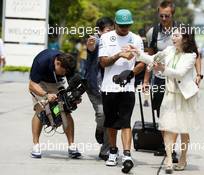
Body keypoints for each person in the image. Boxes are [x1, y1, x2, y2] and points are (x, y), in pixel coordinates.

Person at [129, 27, 200, 174]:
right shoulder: (169, 50)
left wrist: (162, 68)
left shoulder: (191, 55)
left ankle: (183, 158)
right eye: (172, 35)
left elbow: (179, 73)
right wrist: (139, 54)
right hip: (170, 94)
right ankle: (168, 158)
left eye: (176, 35)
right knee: (167, 127)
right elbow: (153, 58)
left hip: (184, 96)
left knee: (183, 129)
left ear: (185, 38)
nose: (173, 38)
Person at [144, 0, 203, 160]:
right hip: (160, 79)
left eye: (167, 16)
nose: (163, 18)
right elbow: (149, 57)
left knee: (178, 117)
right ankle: (167, 148)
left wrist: (199, 74)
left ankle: (173, 151)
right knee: (163, 115)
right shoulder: (152, 32)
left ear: (173, 14)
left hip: (178, 79)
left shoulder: (183, 30)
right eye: (161, 15)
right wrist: (146, 81)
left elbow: (196, 53)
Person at [98, 9, 144, 173]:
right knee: (110, 122)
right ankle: (112, 151)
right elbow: (103, 62)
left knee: (125, 121)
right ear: (115, 23)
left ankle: (127, 154)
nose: (125, 28)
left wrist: (131, 73)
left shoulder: (137, 39)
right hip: (109, 87)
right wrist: (119, 55)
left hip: (128, 87)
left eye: (127, 25)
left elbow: (142, 62)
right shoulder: (105, 37)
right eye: (122, 25)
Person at [29, 49, 81, 159]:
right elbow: (32, 85)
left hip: (56, 83)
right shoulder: (41, 61)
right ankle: (36, 145)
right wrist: (46, 95)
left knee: (65, 110)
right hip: (40, 83)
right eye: (63, 72)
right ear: (57, 63)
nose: (64, 74)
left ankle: (71, 146)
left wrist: (76, 97)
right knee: (41, 110)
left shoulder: (67, 64)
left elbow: (72, 85)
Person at [85, 16, 114, 161]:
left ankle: (105, 151)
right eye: (108, 30)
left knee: (110, 119)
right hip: (94, 86)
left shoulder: (115, 41)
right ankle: (99, 129)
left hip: (111, 87)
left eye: (112, 30)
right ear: (99, 31)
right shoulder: (96, 40)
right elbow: (91, 46)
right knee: (102, 115)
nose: (111, 33)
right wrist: (90, 45)